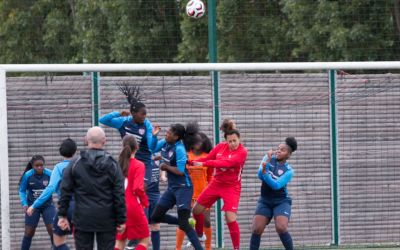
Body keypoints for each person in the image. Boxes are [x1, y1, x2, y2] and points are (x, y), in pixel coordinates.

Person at [99, 85, 161, 250]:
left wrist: (154, 138)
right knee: (125, 192)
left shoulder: (146, 125)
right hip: (127, 160)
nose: (145, 116)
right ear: (133, 114)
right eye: (143, 114)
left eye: (146, 114)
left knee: (142, 189)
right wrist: (118, 113)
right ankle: (128, 226)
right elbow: (102, 120)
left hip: (143, 162)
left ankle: (137, 233)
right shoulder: (123, 122)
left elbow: (153, 147)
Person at [58, 126, 126, 250]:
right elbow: (119, 194)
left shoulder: (75, 164)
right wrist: (121, 219)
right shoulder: (113, 164)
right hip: (107, 219)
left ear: (85, 140)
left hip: (82, 219)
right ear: (104, 141)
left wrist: (62, 215)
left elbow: (65, 190)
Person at [191, 119, 248, 250]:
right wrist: (191, 162)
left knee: (230, 218)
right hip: (216, 184)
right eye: (230, 141)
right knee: (196, 210)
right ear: (226, 141)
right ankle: (199, 235)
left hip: (232, 187)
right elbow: (207, 158)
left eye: (235, 141)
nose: (232, 143)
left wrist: (204, 164)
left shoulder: (242, 152)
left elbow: (225, 164)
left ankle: (236, 248)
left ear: (239, 139)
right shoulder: (220, 147)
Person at [150, 124, 203, 250]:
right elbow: (152, 149)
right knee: (155, 216)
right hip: (172, 188)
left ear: (176, 137)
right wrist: (154, 136)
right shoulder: (164, 142)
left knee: (184, 224)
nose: (166, 134)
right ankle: (185, 222)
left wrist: (165, 166)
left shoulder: (179, 149)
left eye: (169, 133)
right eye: (167, 131)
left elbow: (180, 171)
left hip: (184, 188)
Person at [26, 139, 77, 250]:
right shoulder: (81, 164)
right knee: (83, 242)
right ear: (75, 151)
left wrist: (34, 205)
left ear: (61, 151)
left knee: (58, 242)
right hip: (85, 206)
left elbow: (50, 188)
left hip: (67, 207)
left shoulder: (59, 168)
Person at [249, 137, 297, 250]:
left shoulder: (289, 171)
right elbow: (259, 174)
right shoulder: (268, 158)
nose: (279, 151)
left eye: (283, 150)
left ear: (288, 155)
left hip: (281, 201)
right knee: (256, 229)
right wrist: (266, 162)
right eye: (278, 148)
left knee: (281, 227)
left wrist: (265, 173)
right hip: (265, 200)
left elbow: (276, 185)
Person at [176, 122, 213, 250]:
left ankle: (208, 247)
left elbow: (210, 177)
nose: (198, 143)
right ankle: (178, 247)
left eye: (200, 141)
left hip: (203, 193)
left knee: (206, 221)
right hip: (187, 192)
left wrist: (210, 190)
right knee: (184, 221)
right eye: (196, 141)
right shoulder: (186, 154)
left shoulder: (208, 157)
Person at [115, 135, 150, 250]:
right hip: (133, 207)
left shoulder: (116, 165)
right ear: (137, 147)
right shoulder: (139, 165)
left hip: (118, 207)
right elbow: (138, 188)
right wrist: (145, 202)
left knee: (120, 242)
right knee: (145, 239)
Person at [18, 155, 55, 250]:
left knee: (52, 229)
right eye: (36, 166)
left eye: (41, 165)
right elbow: (22, 190)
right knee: (29, 232)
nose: (39, 167)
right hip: (32, 206)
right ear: (32, 165)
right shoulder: (27, 175)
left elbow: (57, 186)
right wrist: (24, 203)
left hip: (47, 205)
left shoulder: (50, 174)